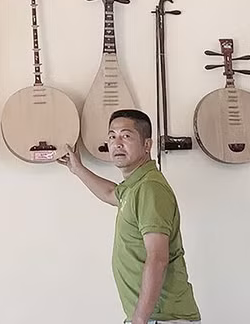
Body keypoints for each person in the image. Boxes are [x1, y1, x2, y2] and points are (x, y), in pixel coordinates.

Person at [57, 108, 201, 324]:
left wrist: (139, 320)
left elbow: (158, 258)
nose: (117, 143)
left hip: (163, 318)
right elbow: (110, 193)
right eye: (112, 136)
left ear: (147, 145)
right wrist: (77, 169)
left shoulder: (150, 188)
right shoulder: (135, 186)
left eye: (126, 136)